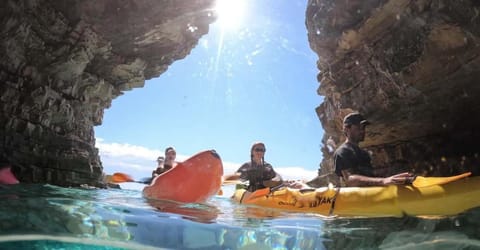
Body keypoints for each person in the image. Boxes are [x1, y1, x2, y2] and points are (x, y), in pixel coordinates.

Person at [334, 112, 414, 186]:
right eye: (358, 127)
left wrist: (390, 170)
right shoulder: (343, 152)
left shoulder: (363, 153)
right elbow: (350, 179)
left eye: (363, 127)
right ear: (347, 129)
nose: (362, 131)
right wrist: (383, 181)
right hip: (356, 199)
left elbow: (369, 173)